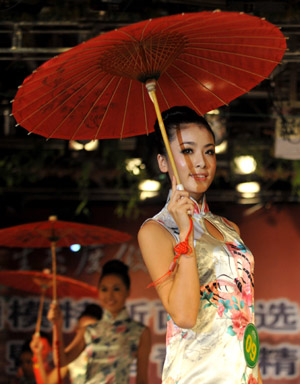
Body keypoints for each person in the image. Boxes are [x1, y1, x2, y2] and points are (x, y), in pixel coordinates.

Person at [138, 106, 262, 384]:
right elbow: (183, 315)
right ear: (163, 162)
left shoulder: (229, 229)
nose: (202, 162)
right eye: (187, 151)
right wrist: (185, 232)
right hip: (198, 375)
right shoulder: (156, 230)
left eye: (209, 151)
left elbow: (245, 316)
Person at [47, 260, 151, 384]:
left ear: (127, 291)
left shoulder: (139, 332)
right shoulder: (90, 330)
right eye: (104, 289)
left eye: (116, 289)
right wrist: (57, 325)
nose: (110, 295)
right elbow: (61, 361)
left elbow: (142, 380)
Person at [30, 304, 103, 384]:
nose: (85, 333)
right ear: (76, 330)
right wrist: (38, 355)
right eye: (81, 329)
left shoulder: (110, 351)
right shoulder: (72, 356)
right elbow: (47, 382)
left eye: (90, 329)